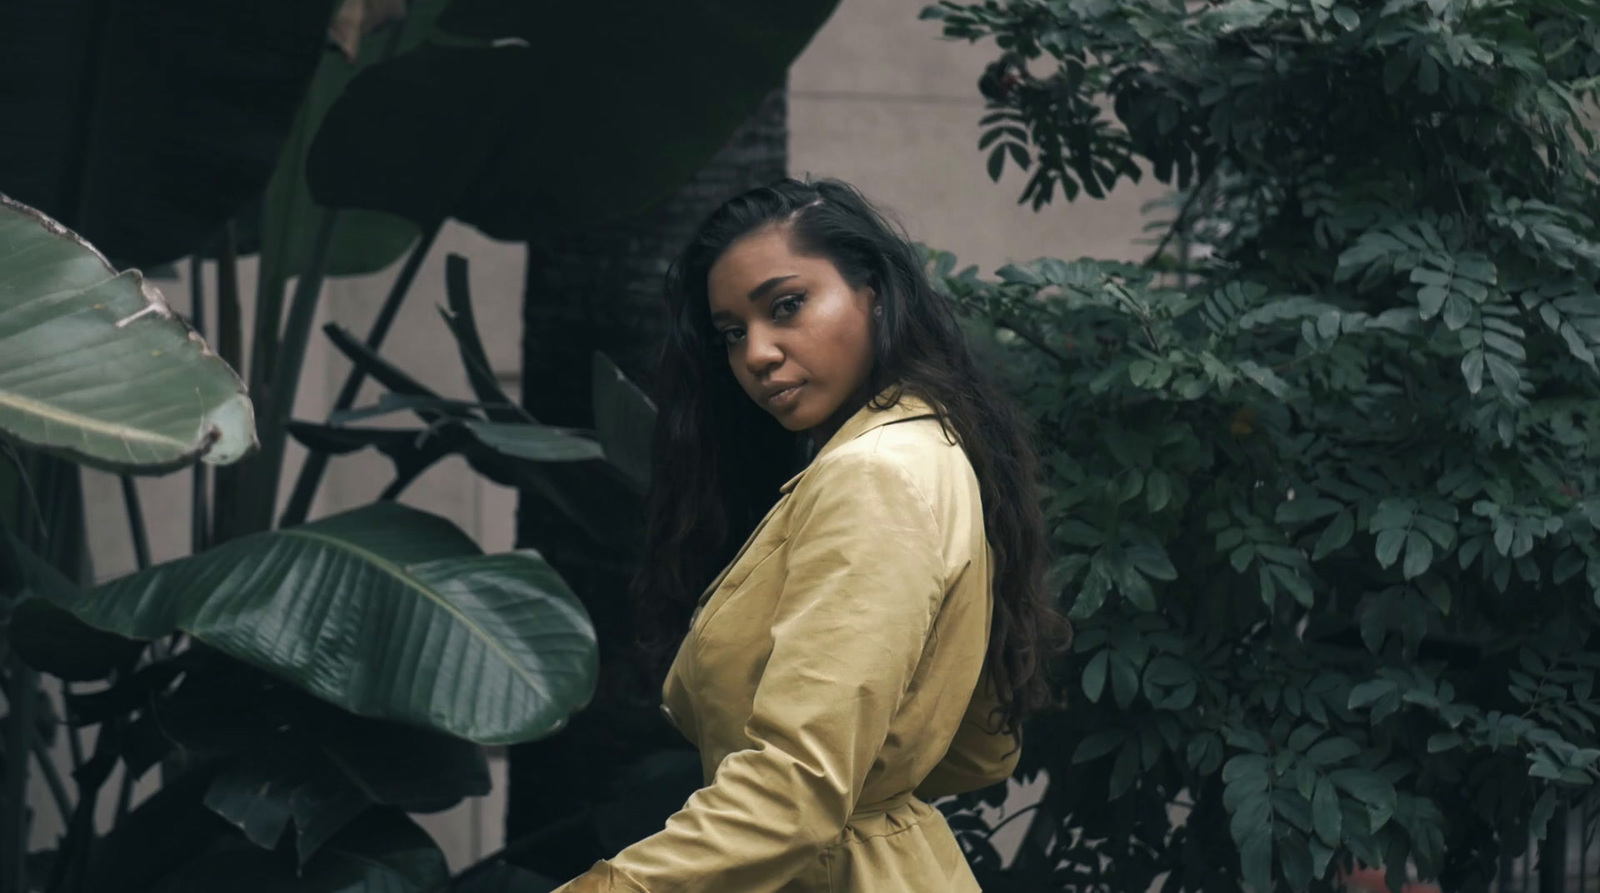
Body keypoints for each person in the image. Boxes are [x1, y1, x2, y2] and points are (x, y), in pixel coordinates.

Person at [552, 177, 1070, 892]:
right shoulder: (930, 447)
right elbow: (981, 750)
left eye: (787, 306)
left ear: (875, 293)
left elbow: (794, 792)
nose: (757, 353)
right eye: (732, 333)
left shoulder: (875, 477)